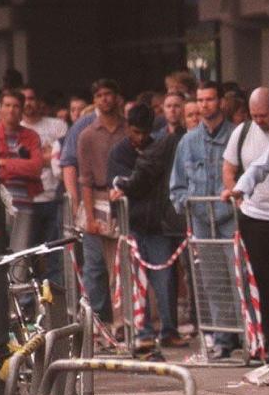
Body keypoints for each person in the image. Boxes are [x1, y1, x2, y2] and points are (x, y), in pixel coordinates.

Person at [220, 88, 269, 363]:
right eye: (254, 116)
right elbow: (230, 167)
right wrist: (237, 193)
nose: (259, 121)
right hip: (255, 217)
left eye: (263, 115)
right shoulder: (243, 132)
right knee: (265, 284)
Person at [170, 81, 239, 357]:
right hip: (201, 220)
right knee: (212, 281)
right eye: (200, 100)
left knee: (238, 278)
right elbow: (177, 186)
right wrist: (187, 205)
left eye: (209, 99)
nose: (204, 105)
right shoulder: (188, 141)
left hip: (230, 218)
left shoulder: (236, 135)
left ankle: (245, 336)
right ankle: (222, 338)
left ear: (220, 101)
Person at [110, 107, 189, 350]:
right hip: (133, 223)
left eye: (144, 132)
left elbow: (131, 186)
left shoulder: (158, 148)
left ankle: (168, 330)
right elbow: (121, 187)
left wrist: (127, 187)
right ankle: (142, 331)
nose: (140, 137)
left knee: (164, 280)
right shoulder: (120, 152)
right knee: (137, 282)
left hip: (156, 224)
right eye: (135, 132)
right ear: (127, 128)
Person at [76, 79, 128, 331]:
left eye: (109, 94)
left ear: (116, 97)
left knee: (121, 264)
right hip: (95, 198)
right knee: (95, 266)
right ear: (94, 100)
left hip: (121, 198)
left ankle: (122, 320)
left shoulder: (128, 130)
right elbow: (84, 178)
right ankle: (93, 322)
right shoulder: (86, 134)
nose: (105, 99)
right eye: (99, 95)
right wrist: (90, 217)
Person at [0, 89, 46, 306]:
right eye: (7, 105)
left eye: (16, 106)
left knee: (20, 255)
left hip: (24, 203)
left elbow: (36, 169)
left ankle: (21, 305)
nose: (11, 110)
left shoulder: (31, 136)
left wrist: (5, 163)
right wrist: (17, 166)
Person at [19, 86, 67, 289]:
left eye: (32, 98)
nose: (28, 102)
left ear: (39, 101)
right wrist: (43, 157)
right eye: (24, 99)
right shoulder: (16, 128)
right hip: (26, 200)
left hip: (53, 197)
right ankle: (29, 298)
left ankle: (55, 300)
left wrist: (32, 159)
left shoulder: (57, 126)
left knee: (54, 252)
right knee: (26, 254)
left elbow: (61, 159)